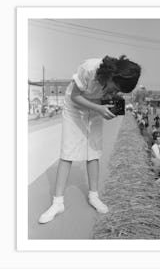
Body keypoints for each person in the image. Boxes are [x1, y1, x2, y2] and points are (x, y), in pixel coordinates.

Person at [39, 55, 141, 224]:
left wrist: (106, 109)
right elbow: (75, 96)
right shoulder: (89, 68)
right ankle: (58, 203)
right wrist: (99, 108)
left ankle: (94, 196)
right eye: (115, 88)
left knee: (93, 151)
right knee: (67, 151)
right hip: (74, 106)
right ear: (111, 75)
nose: (114, 93)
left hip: (95, 107)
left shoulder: (110, 86)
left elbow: (102, 99)